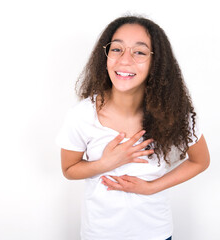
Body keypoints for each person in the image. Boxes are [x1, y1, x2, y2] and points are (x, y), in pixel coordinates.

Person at [56, 15, 210, 240]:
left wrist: (152, 187)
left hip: (156, 233)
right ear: (106, 55)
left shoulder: (175, 113)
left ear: (156, 62)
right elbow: (69, 170)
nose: (125, 60)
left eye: (139, 51)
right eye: (117, 49)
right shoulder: (82, 115)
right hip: (100, 234)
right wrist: (107, 163)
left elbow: (200, 161)